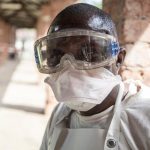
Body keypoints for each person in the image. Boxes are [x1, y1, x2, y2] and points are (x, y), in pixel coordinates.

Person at [34, 3, 150, 150]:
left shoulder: (145, 117)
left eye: (90, 53)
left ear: (118, 59)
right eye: (57, 55)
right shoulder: (60, 114)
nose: (70, 67)